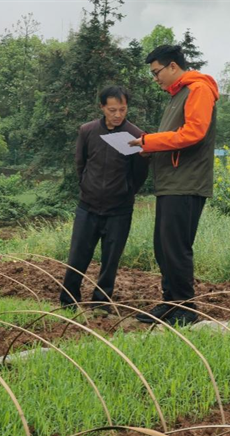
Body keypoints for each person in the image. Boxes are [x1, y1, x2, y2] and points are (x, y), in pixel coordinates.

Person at [129, 45, 219, 326]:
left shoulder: (198, 90)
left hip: (186, 182)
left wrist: (149, 141)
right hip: (171, 182)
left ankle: (185, 308)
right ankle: (170, 303)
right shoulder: (176, 96)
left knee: (176, 247)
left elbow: (194, 132)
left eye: (157, 72)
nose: (155, 78)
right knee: (163, 247)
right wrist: (149, 147)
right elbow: (174, 136)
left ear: (172, 67)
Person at [59, 86, 149, 313]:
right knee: (78, 254)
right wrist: (87, 186)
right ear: (102, 108)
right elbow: (81, 164)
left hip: (119, 209)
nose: (118, 115)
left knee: (110, 259)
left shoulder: (136, 136)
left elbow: (140, 173)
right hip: (87, 206)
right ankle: (68, 299)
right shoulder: (87, 131)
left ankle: (101, 302)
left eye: (122, 109)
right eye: (112, 110)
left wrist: (126, 191)